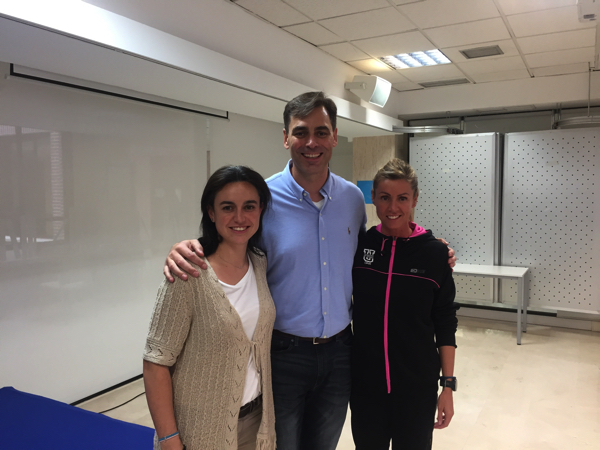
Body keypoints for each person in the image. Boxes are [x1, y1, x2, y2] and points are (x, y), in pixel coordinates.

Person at [162, 92, 456, 450]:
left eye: (321, 132)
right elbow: (232, 234)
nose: (311, 142)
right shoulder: (264, 198)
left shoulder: (351, 200)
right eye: (301, 132)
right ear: (286, 137)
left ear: (334, 136)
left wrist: (429, 250)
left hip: (342, 352)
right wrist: (189, 246)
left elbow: (378, 247)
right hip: (283, 353)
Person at [142, 165, 276, 450]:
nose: (239, 217)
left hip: (257, 423)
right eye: (228, 207)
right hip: (201, 432)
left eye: (249, 206)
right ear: (211, 213)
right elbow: (156, 363)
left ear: (261, 210)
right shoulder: (188, 274)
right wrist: (169, 440)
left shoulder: (259, 263)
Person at [350, 158, 457, 450]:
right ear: (372, 198)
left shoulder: (434, 253)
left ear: (415, 199)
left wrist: (447, 385)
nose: (393, 208)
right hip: (366, 388)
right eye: (384, 198)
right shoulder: (361, 247)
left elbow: (445, 321)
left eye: (402, 198)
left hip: (416, 390)